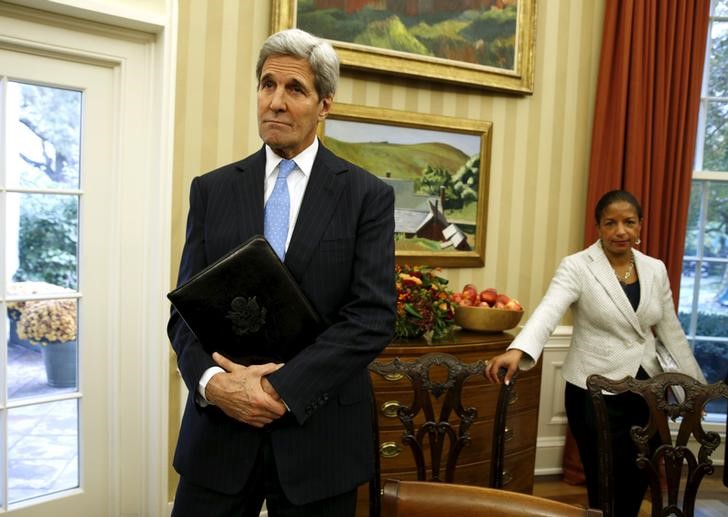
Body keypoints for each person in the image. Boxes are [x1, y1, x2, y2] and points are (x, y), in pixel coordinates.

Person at [167, 28, 395, 517]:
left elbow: (371, 317)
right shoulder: (211, 191)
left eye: (295, 89)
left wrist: (275, 389)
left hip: (320, 438)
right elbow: (186, 313)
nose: (275, 102)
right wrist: (213, 384)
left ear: (325, 105)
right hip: (219, 437)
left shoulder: (366, 196)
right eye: (267, 85)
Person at [485, 189, 705, 517]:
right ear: (598, 227)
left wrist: (694, 388)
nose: (621, 231)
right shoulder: (577, 266)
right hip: (594, 390)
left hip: (647, 391)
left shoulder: (655, 269)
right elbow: (549, 310)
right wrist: (519, 349)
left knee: (639, 475)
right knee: (604, 479)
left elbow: (671, 332)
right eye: (610, 223)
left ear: (641, 225)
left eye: (629, 222)